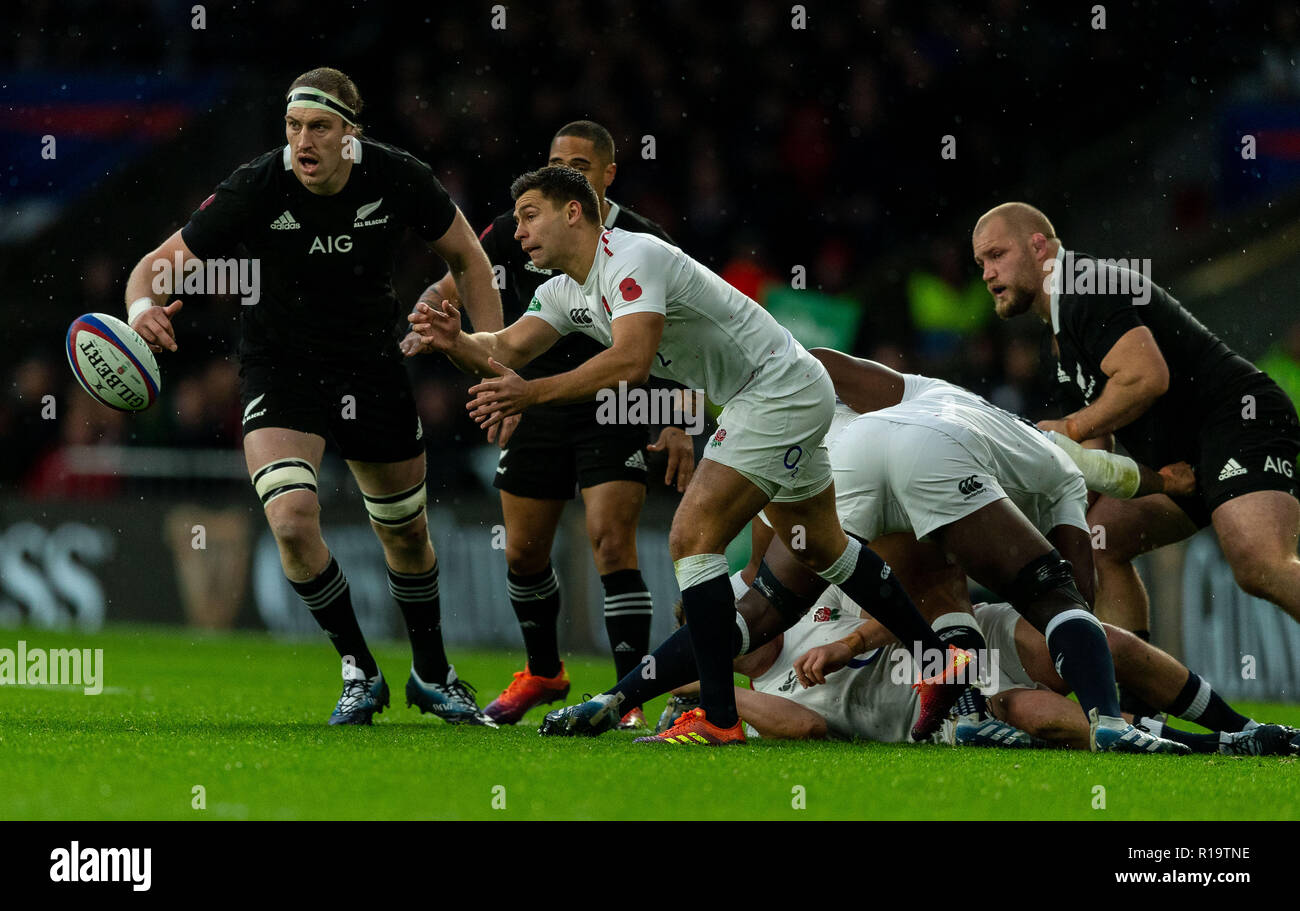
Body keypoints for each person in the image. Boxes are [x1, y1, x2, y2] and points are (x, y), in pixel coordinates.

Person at [409, 165, 968, 746]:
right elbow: (502, 349)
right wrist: (457, 344)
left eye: (529, 216)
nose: (517, 232)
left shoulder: (633, 256)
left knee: (690, 537)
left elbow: (630, 361)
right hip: (781, 391)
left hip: (773, 389)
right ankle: (939, 661)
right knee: (824, 546)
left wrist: (532, 393)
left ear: (573, 212)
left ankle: (720, 719)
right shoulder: (561, 290)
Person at [540, 348, 1189, 752]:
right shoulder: (773, 674)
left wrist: (852, 642)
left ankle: (616, 696)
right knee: (1043, 631)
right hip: (934, 505)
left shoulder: (814, 461)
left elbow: (814, 363)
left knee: (1004, 601)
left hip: (877, 489)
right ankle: (1127, 722)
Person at [125, 67, 503, 725]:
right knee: (293, 522)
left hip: (371, 369)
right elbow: (156, 264)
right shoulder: (257, 184)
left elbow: (471, 259)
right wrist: (138, 310)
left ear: (350, 136)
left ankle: (432, 671)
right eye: (295, 126)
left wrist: (492, 354)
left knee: (407, 534)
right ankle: (359, 669)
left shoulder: (398, 176)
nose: (304, 140)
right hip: (282, 371)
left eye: (320, 127)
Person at [403, 121, 694, 730]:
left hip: (616, 400)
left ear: (607, 175)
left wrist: (675, 420)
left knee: (611, 540)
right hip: (534, 398)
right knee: (523, 550)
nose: (567, 172)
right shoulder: (526, 230)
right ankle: (543, 671)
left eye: (581, 165)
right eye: (557, 160)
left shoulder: (642, 241)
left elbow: (685, 336)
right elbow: (468, 272)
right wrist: (439, 316)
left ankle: (626, 693)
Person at [973, 203, 1300, 645]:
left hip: (1239, 420)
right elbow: (1094, 443)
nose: (988, 274)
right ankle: (1137, 707)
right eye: (981, 264)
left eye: (997, 255)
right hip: (1185, 460)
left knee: (1260, 565)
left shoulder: (1086, 286)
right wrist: (1062, 512)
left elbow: (1147, 377)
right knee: (1099, 543)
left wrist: (1066, 430)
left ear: (1038, 246)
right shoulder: (1059, 331)